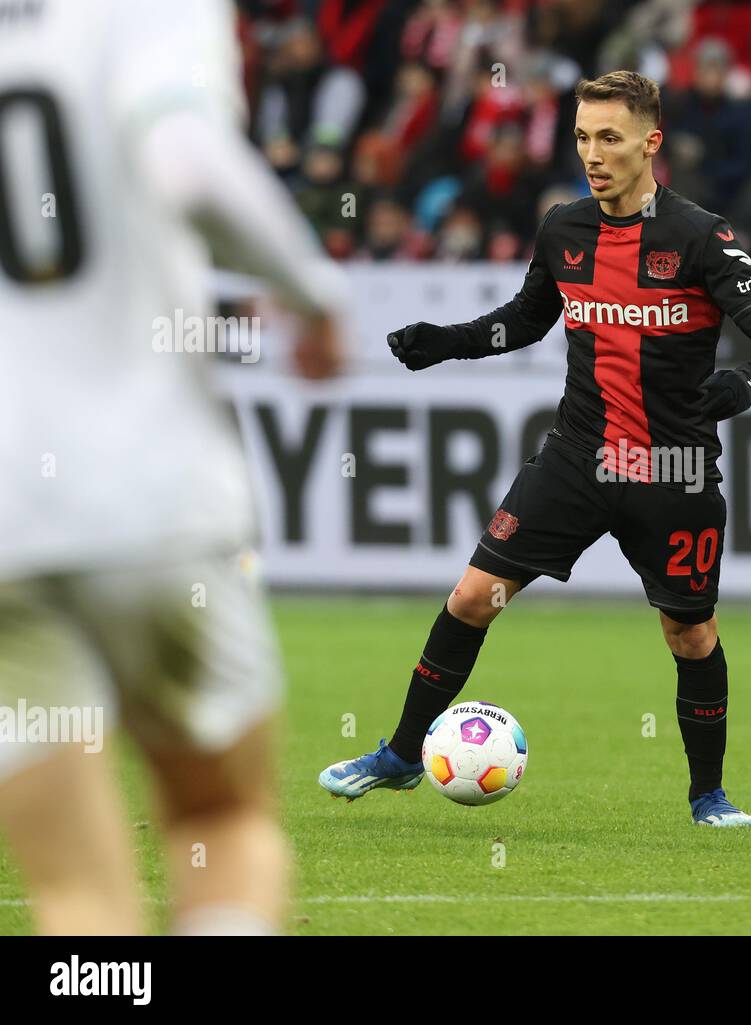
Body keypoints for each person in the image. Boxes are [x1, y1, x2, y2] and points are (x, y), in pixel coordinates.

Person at [319, 70, 751, 827]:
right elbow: (525, 320)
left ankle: (708, 794)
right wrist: (446, 342)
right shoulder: (563, 228)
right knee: (474, 596)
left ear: (651, 142)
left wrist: (746, 384)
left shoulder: (702, 236)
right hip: (577, 457)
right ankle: (405, 753)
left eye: (609, 137)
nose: (593, 153)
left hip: (670, 470)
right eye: (582, 137)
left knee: (690, 632)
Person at [0, 0, 345, 934]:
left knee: (73, 892)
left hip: (7, 528)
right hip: (148, 487)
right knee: (221, 819)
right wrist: (312, 293)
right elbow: (191, 166)